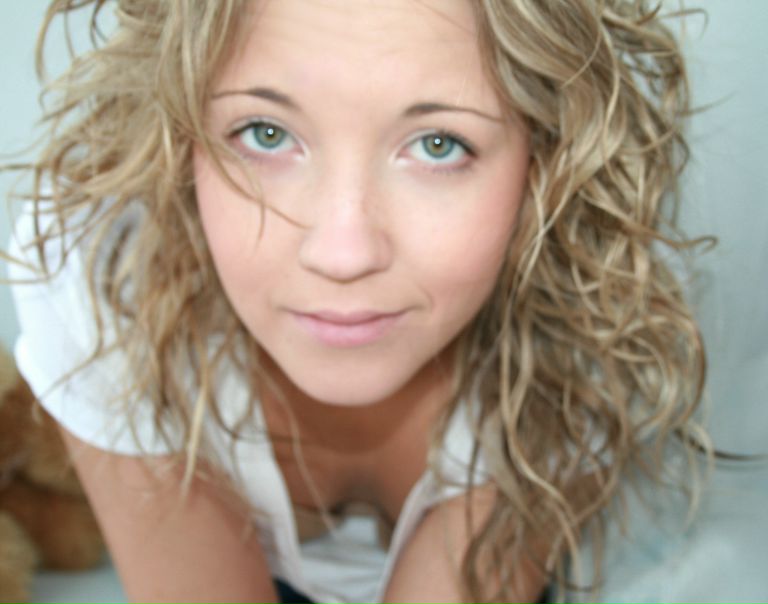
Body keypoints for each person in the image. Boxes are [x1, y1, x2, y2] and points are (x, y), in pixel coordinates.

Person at [6, 0, 712, 602]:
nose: (343, 254)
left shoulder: (596, 319)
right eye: (266, 133)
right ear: (181, 133)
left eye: (439, 144)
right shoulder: (104, 268)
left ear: (546, 162)